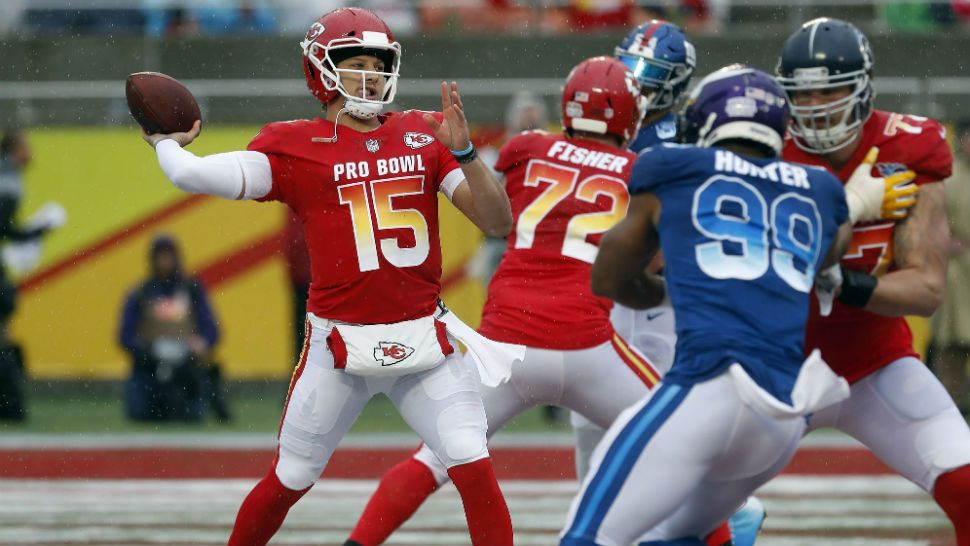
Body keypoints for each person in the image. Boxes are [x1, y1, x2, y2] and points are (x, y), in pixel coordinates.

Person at [139, 8, 515, 546]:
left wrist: (464, 152)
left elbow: (497, 221)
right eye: (354, 62)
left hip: (424, 342)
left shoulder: (421, 134)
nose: (369, 75)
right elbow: (191, 175)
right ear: (321, 70)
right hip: (338, 346)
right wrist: (167, 142)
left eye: (377, 63)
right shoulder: (296, 144)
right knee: (291, 478)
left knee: (473, 466)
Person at [343, 55, 689, 546]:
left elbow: (505, 213)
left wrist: (460, 150)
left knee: (431, 461)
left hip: (507, 347)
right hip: (588, 345)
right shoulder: (642, 171)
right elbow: (647, 265)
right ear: (630, 117)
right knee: (685, 444)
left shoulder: (526, 148)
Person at [559, 65, 860, 546]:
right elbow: (830, 249)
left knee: (586, 538)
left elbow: (608, 277)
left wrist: (663, 289)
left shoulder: (673, 168)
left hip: (709, 387)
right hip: (781, 417)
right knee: (675, 536)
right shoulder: (820, 188)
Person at [777, 18, 970, 546]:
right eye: (804, 91)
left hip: (874, 361)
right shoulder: (763, 147)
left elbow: (926, 290)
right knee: (693, 507)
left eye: (831, 88)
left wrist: (849, 285)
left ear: (862, 88)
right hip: (771, 365)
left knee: (968, 485)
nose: (816, 104)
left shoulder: (906, 148)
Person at [118, 235, 228, 422]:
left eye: (168, 256)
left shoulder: (192, 289)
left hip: (185, 364)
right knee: (140, 413)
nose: (165, 261)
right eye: (161, 256)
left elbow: (212, 329)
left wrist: (201, 343)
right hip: (150, 365)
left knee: (191, 414)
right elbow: (125, 336)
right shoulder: (140, 293)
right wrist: (146, 349)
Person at [0, 128, 65, 421]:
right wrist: (37, 231)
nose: (30, 152)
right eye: (25, 146)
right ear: (14, 149)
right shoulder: (8, 178)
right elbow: (5, 229)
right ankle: (9, 403)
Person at [931, 120, 970, 416]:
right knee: (951, 345)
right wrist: (945, 240)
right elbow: (929, 224)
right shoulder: (948, 176)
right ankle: (950, 409)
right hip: (955, 272)